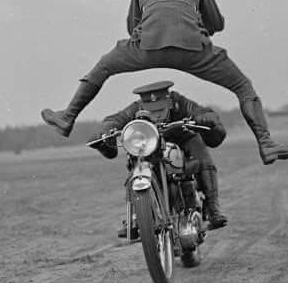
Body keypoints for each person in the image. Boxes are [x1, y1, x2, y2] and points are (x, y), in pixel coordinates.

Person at [42, 0, 288, 166]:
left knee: (104, 66)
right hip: (193, 51)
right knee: (242, 87)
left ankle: (68, 118)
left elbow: (132, 28)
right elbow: (216, 23)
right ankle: (266, 144)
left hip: (147, 49)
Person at [88, 80, 228, 232]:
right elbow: (114, 119)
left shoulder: (179, 102)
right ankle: (135, 216)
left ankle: (213, 209)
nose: (157, 115)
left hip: (183, 138)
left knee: (201, 154)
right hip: (151, 143)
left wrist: (205, 117)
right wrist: (107, 130)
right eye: (151, 111)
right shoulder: (135, 108)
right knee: (135, 164)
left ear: (169, 102)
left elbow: (200, 111)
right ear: (143, 106)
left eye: (161, 109)